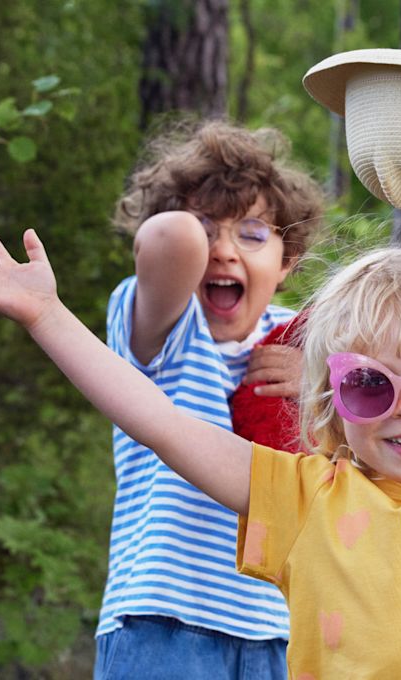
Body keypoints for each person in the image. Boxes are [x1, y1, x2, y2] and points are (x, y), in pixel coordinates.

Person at [0, 77, 401, 678]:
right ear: (328, 402)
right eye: (369, 385)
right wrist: (48, 316)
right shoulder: (305, 499)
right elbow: (158, 420)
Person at [101, 120, 324, 678]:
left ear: (287, 262)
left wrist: (321, 382)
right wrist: (185, 224)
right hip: (164, 623)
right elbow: (166, 240)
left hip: (282, 627)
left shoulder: (307, 343)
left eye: (252, 235)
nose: (222, 251)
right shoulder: (162, 325)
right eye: (207, 232)